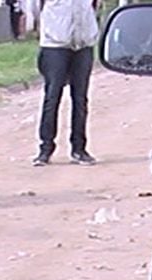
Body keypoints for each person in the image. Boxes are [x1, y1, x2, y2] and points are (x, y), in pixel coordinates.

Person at [31, 0, 99, 166]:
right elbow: (35, 8)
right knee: (52, 97)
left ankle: (79, 149)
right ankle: (45, 149)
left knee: (80, 98)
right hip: (54, 44)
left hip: (83, 44)